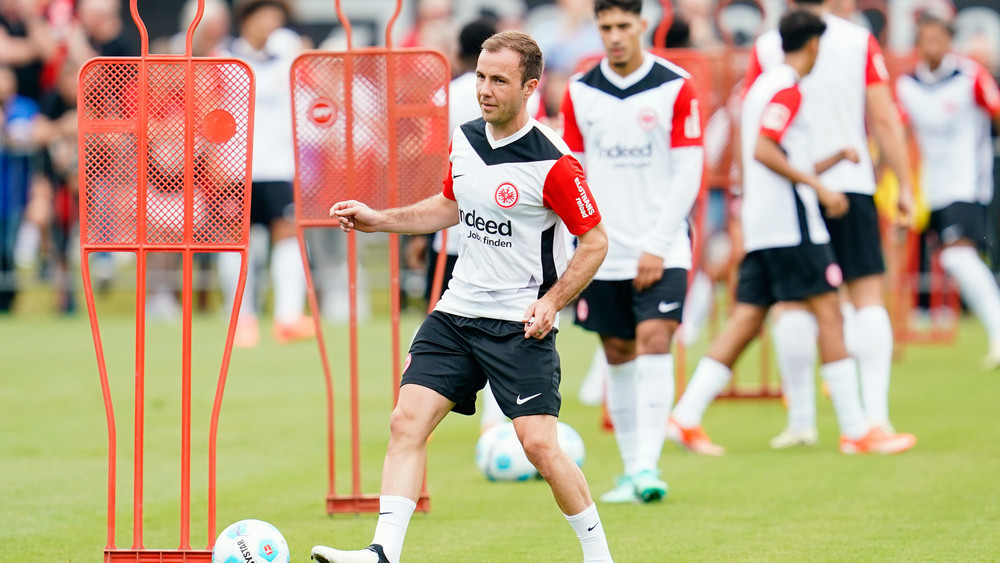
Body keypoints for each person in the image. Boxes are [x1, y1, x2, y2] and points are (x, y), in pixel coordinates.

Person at [311, 30, 614, 563]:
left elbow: (595, 241)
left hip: (518, 323)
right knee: (406, 422)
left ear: (530, 87)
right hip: (456, 312)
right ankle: (382, 551)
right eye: (480, 76)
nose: (484, 89)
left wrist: (552, 301)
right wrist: (381, 220)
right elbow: (450, 205)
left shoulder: (555, 163)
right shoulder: (467, 137)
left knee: (540, 446)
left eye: (499, 79)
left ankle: (598, 554)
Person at [667, 10, 917, 457]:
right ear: (815, 45)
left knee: (746, 319)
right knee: (831, 312)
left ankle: (685, 416)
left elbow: (769, 151)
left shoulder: (762, 85)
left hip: (765, 223)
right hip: (792, 224)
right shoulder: (788, 87)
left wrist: (830, 161)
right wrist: (820, 186)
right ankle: (858, 428)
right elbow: (767, 149)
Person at [559, 0, 703, 503]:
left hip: (662, 247)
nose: (615, 36)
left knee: (656, 340)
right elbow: (572, 172)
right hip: (603, 251)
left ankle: (647, 466)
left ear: (644, 23)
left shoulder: (675, 85)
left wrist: (659, 244)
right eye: (606, 28)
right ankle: (629, 470)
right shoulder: (580, 92)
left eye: (624, 26)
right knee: (616, 351)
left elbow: (689, 170)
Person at [896, 13, 1000, 368]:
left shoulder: (971, 76)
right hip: (927, 188)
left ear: (949, 41)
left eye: (939, 40)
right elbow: (898, 131)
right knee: (929, 259)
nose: (933, 47)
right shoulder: (907, 84)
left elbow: (996, 110)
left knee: (958, 257)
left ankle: (998, 331)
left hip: (966, 183)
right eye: (926, 40)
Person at [218, 0, 313, 347]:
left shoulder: (288, 57)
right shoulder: (223, 59)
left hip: (279, 166)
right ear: (247, 19)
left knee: (287, 236)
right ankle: (241, 319)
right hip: (234, 167)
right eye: (266, 17)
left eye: (277, 17)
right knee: (236, 245)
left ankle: (287, 317)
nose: (272, 24)